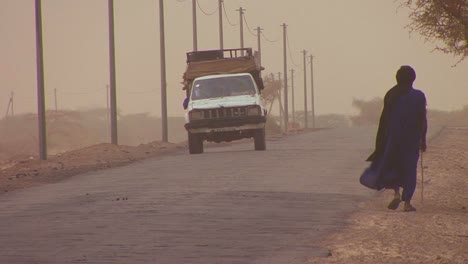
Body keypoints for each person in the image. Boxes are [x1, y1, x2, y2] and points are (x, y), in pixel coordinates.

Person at [363, 65, 427, 212]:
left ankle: (397, 193)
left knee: (394, 165)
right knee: (410, 168)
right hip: (411, 139)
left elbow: (384, 119)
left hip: (393, 138)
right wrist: (423, 139)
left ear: (397, 78)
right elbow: (422, 119)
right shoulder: (418, 96)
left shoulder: (391, 94)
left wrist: (381, 141)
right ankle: (407, 203)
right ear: (413, 79)